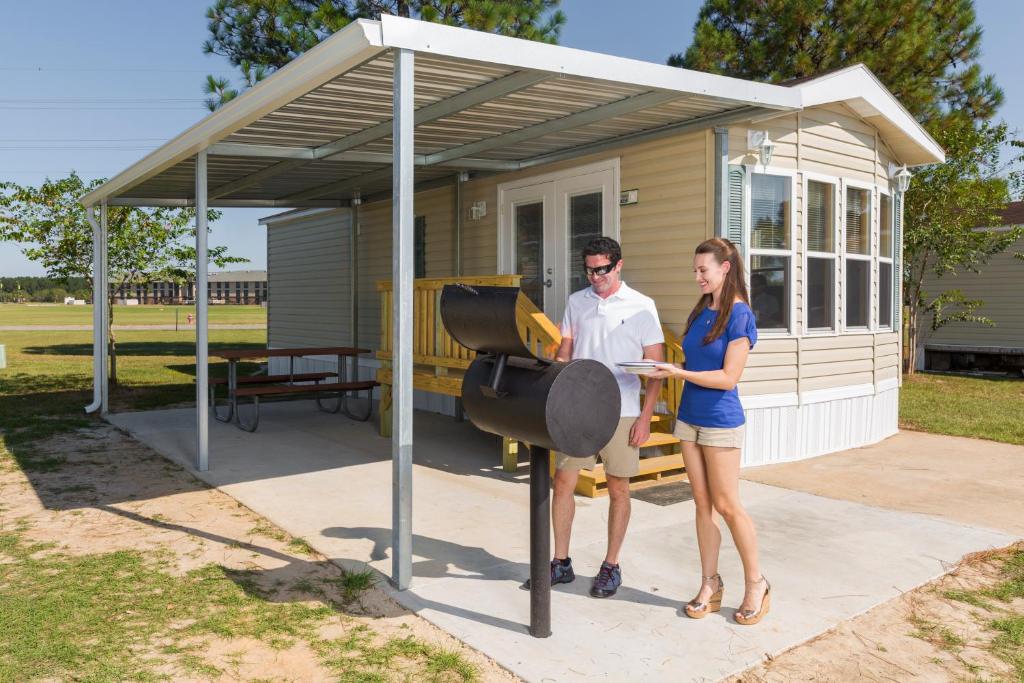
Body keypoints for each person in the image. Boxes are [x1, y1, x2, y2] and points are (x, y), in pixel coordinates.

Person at [648, 237, 771, 625]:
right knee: (702, 505)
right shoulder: (703, 310)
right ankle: (710, 584)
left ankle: (757, 584)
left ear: (725, 268)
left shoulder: (739, 315)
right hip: (689, 419)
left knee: (728, 505)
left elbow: (728, 377)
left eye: (704, 270)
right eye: (695, 270)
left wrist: (677, 373)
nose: (698, 276)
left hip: (720, 420)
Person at [538, 236, 665, 599]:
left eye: (602, 270)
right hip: (577, 409)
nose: (595, 276)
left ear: (618, 265)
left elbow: (654, 366)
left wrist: (645, 417)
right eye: (590, 270)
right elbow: (565, 351)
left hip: (623, 411)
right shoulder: (577, 302)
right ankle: (561, 562)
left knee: (618, 489)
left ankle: (611, 566)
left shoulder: (642, 306)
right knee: (562, 483)